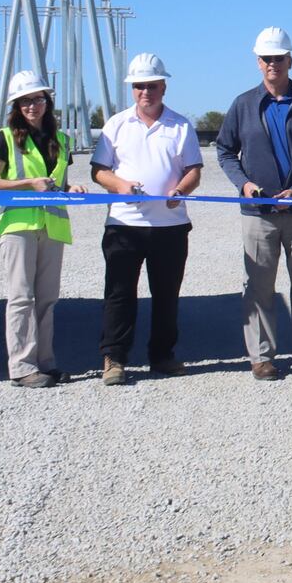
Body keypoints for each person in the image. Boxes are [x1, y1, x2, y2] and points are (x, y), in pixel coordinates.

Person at [216, 26, 292, 382]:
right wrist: (245, 184)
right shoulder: (243, 105)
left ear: (290, 61)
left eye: (279, 58)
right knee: (259, 285)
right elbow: (224, 150)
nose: (273, 64)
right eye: (266, 58)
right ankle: (262, 357)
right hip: (258, 214)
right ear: (258, 62)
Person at [90, 52, 204, 385]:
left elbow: (194, 170)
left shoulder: (181, 125)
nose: (145, 93)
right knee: (119, 294)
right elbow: (99, 170)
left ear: (163, 87)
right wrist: (120, 185)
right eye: (139, 86)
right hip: (124, 226)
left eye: (152, 86)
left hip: (169, 227)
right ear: (132, 89)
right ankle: (114, 358)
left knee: (166, 295)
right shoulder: (116, 124)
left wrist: (181, 190)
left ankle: (162, 355)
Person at [0, 70, 84, 387]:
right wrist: (29, 183)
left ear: (47, 102)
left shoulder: (62, 140)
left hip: (51, 226)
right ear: (16, 106)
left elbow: (58, 183)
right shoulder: (7, 138)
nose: (32, 106)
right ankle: (22, 367)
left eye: (37, 99)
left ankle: (45, 362)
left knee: (47, 298)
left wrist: (73, 188)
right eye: (25, 101)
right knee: (21, 297)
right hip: (18, 226)